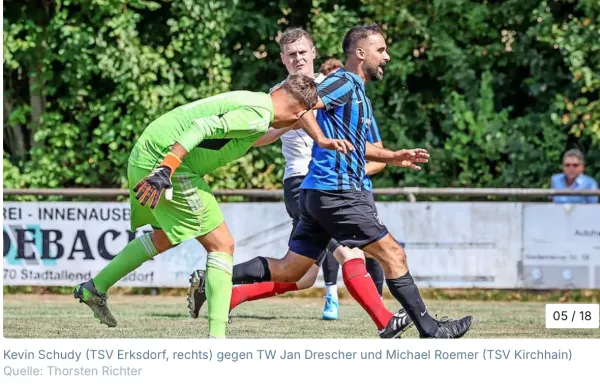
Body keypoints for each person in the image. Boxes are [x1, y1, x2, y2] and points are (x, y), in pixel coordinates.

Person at [211, 24, 473, 339]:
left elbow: (354, 142)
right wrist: (320, 138)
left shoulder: (356, 92)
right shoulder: (345, 82)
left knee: (293, 270)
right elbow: (299, 100)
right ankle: (429, 329)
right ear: (361, 53)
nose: (386, 56)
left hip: (316, 192)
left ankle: (217, 279)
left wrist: (392, 157)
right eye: (381, 50)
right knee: (393, 254)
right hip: (338, 192)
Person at [72, 74, 352, 339]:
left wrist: (317, 138)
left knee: (164, 236)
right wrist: (167, 169)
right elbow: (202, 127)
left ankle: (95, 288)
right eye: (302, 116)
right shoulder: (258, 115)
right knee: (222, 245)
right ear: (298, 110)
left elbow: (255, 137)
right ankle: (216, 340)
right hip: (169, 164)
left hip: (147, 153)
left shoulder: (256, 103)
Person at [186, 29, 406, 330]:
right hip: (304, 182)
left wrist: (372, 162)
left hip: (332, 183)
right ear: (282, 60)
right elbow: (257, 136)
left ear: (314, 53)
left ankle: (222, 288)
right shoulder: (279, 95)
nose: (298, 58)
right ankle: (386, 322)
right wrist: (286, 124)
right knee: (349, 252)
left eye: (303, 52)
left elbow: (367, 143)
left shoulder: (335, 86)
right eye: (291, 54)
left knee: (301, 276)